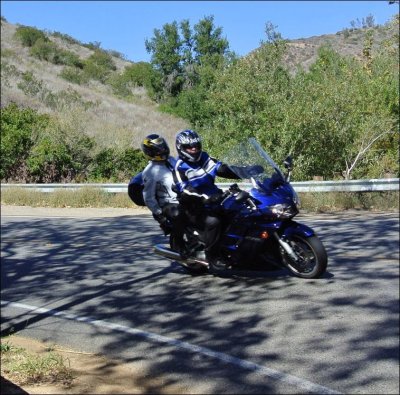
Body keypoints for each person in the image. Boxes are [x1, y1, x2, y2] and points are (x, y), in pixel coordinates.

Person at [173, 129, 263, 262]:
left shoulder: (205, 158)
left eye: (196, 146)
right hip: (194, 206)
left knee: (244, 210)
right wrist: (205, 197)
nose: (194, 149)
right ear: (181, 148)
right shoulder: (180, 167)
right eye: (190, 147)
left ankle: (245, 247)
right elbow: (185, 190)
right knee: (214, 222)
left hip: (215, 199)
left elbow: (223, 169)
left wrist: (247, 171)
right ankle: (212, 257)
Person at [140, 133, 185, 245]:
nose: (162, 150)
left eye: (163, 146)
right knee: (180, 215)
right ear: (150, 152)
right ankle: (181, 248)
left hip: (184, 197)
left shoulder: (171, 160)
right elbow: (148, 197)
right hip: (170, 204)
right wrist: (160, 215)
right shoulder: (150, 172)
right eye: (158, 148)